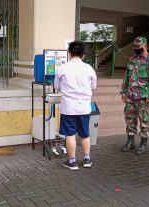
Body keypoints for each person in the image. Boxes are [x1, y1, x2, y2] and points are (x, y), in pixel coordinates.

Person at [54, 41, 97, 170]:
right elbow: (93, 86)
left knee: (70, 134)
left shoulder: (63, 68)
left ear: (69, 53)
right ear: (83, 54)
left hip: (68, 107)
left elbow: (56, 86)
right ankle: (87, 159)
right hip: (84, 107)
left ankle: (72, 161)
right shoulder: (89, 68)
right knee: (85, 134)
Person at [120, 37, 149, 155]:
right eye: (135, 47)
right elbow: (127, 77)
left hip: (143, 96)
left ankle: (143, 144)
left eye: (139, 46)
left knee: (145, 120)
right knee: (130, 119)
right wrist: (124, 92)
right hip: (131, 95)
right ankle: (130, 142)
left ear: (146, 46)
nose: (137, 49)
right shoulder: (132, 59)